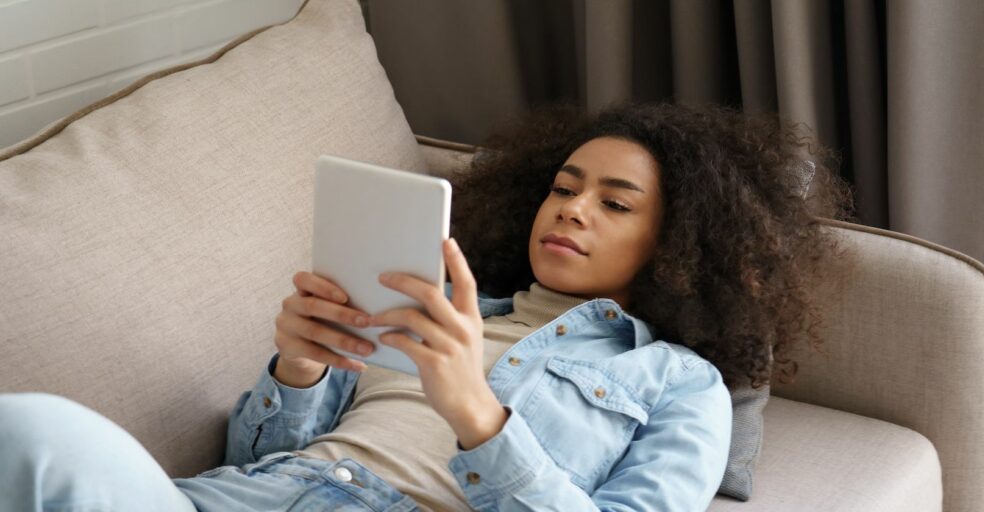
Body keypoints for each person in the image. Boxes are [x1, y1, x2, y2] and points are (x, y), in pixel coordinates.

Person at [0, 100, 855, 511]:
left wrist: (478, 415)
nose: (572, 208)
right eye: (564, 187)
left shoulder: (680, 383)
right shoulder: (433, 307)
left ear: (675, 243)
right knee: (33, 432)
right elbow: (260, 456)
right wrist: (299, 370)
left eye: (614, 202)